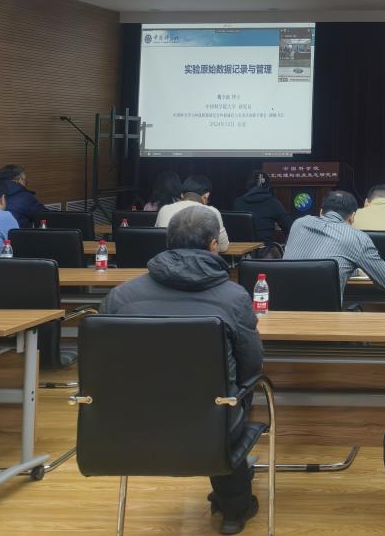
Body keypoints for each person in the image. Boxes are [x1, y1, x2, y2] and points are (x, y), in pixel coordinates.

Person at [100, 207, 262, 534]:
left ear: (168, 242)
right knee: (226, 400)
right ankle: (235, 507)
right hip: (212, 421)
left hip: (131, 422)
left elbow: (103, 363)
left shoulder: (121, 296)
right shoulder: (233, 297)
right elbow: (252, 364)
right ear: (214, 245)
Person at [283, 190, 385, 301]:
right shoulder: (358, 238)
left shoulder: (298, 224)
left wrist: (354, 271)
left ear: (321, 212)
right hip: (326, 317)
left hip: (281, 310)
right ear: (353, 216)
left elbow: (313, 263)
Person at [156, 175, 229, 250]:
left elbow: (157, 241)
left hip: (169, 257)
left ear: (182, 195)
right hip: (201, 257)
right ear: (206, 195)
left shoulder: (164, 209)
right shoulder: (213, 212)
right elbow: (223, 247)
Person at [232, 170, 289, 244]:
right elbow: (289, 228)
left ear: (248, 186)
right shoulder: (273, 202)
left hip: (242, 249)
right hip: (265, 248)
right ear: (268, 186)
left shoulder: (238, 201)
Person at [0, 164, 45, 228]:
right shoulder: (25, 197)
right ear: (18, 180)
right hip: (19, 233)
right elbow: (45, 216)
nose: (25, 183)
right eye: (25, 180)